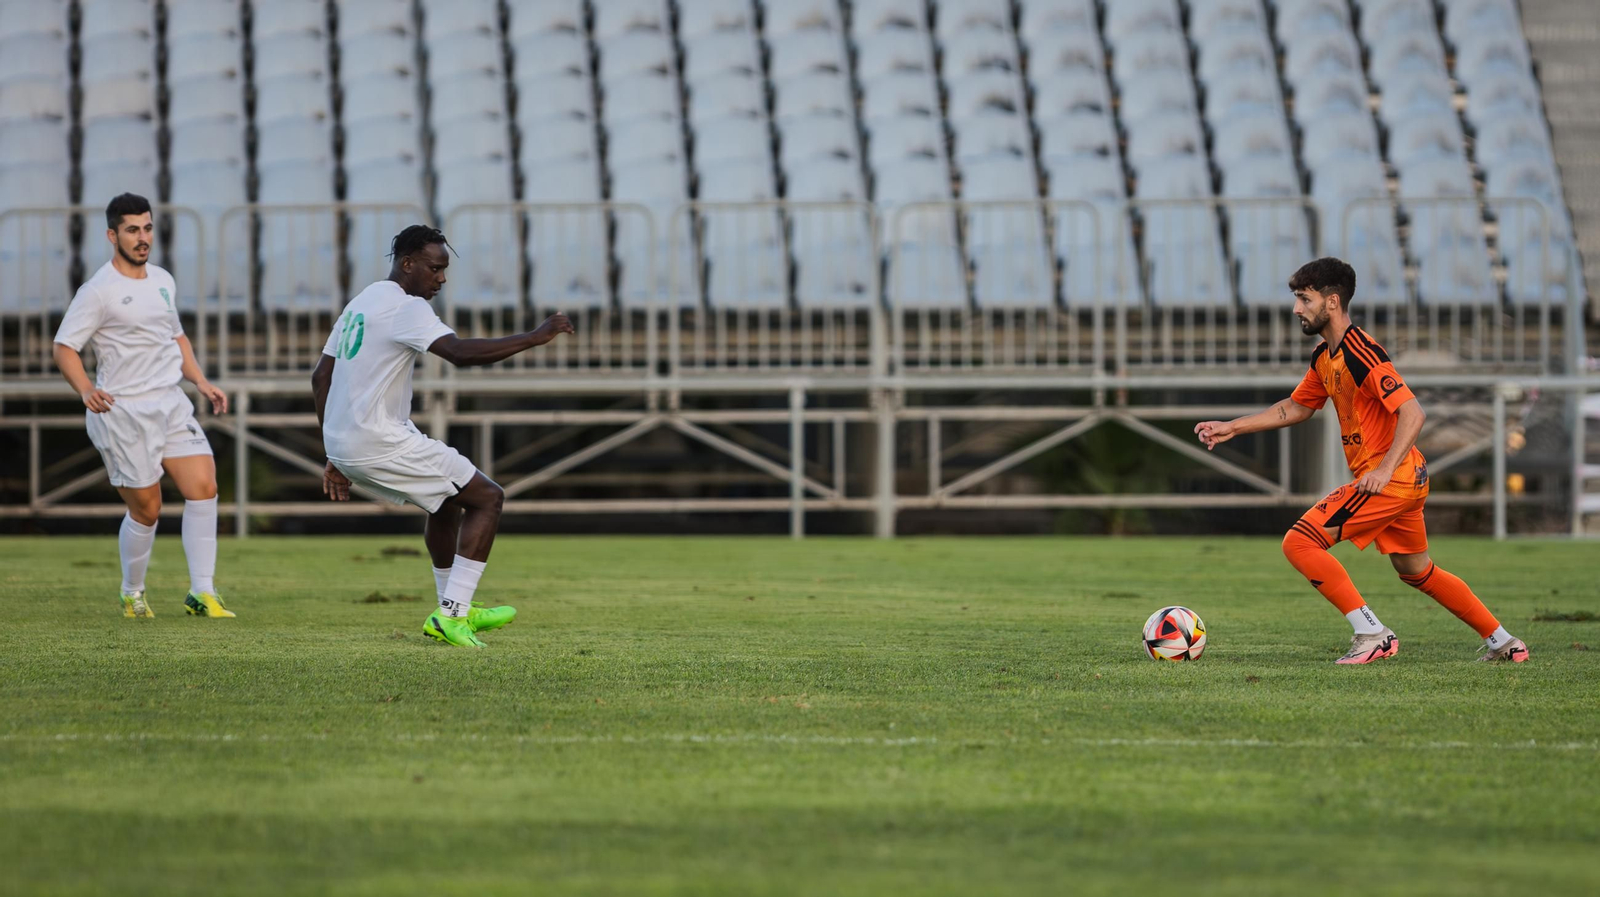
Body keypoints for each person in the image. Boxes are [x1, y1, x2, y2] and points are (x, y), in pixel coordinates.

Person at [1193, 258, 1529, 664]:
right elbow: (1297, 407)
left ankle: (1372, 634)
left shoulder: (1361, 353)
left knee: (1300, 542)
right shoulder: (1325, 356)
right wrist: (1232, 427)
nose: (1297, 308)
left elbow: (1413, 413)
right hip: (1406, 479)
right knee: (1417, 571)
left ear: (1332, 302)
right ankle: (1505, 642)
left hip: (1392, 479)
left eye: (1305, 299)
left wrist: (1383, 471)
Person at [312, 225, 574, 647]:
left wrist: (334, 450)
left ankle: (455, 607)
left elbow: (321, 376)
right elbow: (458, 353)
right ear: (407, 264)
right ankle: (452, 614)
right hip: (379, 440)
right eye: (435, 268)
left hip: (347, 442)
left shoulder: (361, 302)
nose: (442, 278)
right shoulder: (407, 307)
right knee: (488, 498)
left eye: (444, 269)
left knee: (448, 502)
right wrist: (535, 336)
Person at [52, 193, 232, 619]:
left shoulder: (163, 280)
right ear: (112, 235)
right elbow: (64, 347)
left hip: (170, 402)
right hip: (123, 412)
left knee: (204, 487)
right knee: (147, 509)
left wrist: (200, 381)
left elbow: (176, 336)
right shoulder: (98, 291)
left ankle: (202, 592)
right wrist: (85, 389)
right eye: (132, 230)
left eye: (147, 228)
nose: (142, 237)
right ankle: (132, 592)